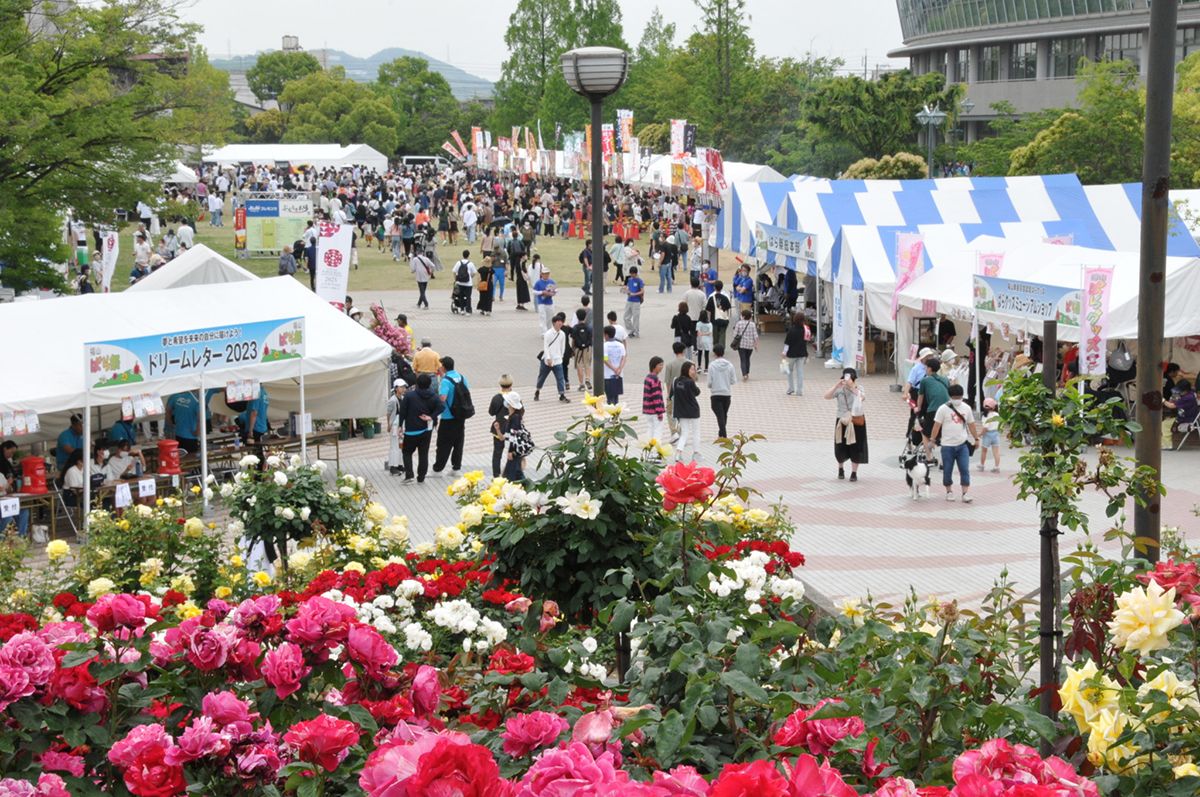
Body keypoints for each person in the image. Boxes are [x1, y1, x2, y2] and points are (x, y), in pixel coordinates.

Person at [931, 384, 981, 503]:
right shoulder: (943, 409)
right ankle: (949, 491)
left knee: (964, 469)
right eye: (955, 397)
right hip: (947, 445)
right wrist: (933, 439)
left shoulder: (967, 408)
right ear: (950, 397)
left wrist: (976, 438)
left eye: (959, 397)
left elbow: (971, 424)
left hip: (962, 444)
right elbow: (936, 425)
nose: (957, 400)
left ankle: (965, 493)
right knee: (947, 470)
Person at [826, 368, 867, 481]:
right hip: (842, 420)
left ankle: (854, 473)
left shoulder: (859, 388)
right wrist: (836, 385)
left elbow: (862, 397)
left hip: (856, 420)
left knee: (856, 446)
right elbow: (826, 396)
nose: (846, 380)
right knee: (840, 445)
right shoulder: (840, 389)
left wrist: (852, 387)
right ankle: (840, 469)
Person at [400, 373, 443, 483]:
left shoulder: (409, 396)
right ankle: (421, 477)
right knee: (423, 453)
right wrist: (431, 417)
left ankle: (409, 475)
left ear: (417, 383)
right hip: (426, 430)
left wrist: (400, 425)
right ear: (429, 384)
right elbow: (441, 407)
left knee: (407, 452)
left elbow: (403, 412)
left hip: (411, 430)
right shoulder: (433, 395)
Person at [433, 357, 469, 475]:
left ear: (443, 367)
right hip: (461, 415)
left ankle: (438, 468)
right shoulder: (462, 377)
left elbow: (442, 398)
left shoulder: (445, 380)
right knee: (458, 442)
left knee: (443, 443)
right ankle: (456, 467)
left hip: (448, 417)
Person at [916, 358, 951, 458]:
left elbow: (920, 397)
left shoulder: (925, 380)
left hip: (934, 410)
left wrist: (918, 409)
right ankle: (945, 459)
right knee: (944, 434)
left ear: (930, 369)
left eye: (926, 367)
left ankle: (929, 457)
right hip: (948, 410)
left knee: (925, 433)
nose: (925, 369)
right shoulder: (945, 379)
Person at [534, 313, 570, 403]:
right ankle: (537, 390)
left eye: (561, 322)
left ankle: (562, 394)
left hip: (557, 360)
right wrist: (548, 358)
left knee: (560, 378)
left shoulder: (562, 334)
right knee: (542, 377)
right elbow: (546, 347)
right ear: (554, 323)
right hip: (547, 360)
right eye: (558, 322)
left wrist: (561, 356)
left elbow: (563, 347)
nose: (560, 323)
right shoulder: (548, 334)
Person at [672, 361, 702, 462]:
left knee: (684, 433)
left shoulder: (676, 381)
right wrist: (693, 380)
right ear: (686, 369)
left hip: (681, 411)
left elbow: (672, 394)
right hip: (693, 410)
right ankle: (696, 453)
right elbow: (697, 392)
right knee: (696, 432)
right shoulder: (690, 382)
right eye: (692, 369)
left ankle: (678, 453)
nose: (694, 371)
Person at [707, 345, 736, 439]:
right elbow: (733, 381)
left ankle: (723, 436)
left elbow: (709, 383)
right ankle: (721, 434)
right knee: (723, 415)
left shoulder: (711, 366)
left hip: (715, 394)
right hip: (727, 394)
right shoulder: (730, 365)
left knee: (720, 416)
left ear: (714, 353)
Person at [488, 375, 514, 478]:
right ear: (511, 384)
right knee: (512, 452)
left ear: (500, 385)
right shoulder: (514, 396)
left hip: (498, 428)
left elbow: (491, 412)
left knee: (497, 454)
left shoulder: (496, 398)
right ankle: (510, 474)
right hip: (512, 429)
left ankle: (496, 475)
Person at [662, 342, 687, 440]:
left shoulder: (669, 365)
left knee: (669, 412)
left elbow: (668, 382)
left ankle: (674, 431)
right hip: (686, 393)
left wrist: (669, 394)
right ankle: (681, 432)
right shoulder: (690, 363)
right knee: (683, 413)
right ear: (684, 350)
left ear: (674, 351)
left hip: (674, 393)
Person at [502, 392, 529, 482]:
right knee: (515, 472)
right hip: (516, 451)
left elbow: (514, 436)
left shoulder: (515, 418)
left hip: (514, 452)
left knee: (512, 474)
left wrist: (511, 451)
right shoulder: (514, 416)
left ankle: (525, 486)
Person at [782, 313, 809, 396]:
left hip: (791, 354)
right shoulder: (806, 329)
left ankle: (791, 388)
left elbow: (787, 343)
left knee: (789, 371)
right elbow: (807, 341)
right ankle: (799, 390)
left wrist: (784, 352)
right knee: (800, 372)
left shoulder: (791, 330)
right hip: (802, 353)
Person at [386, 379, 407, 475]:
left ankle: (399, 464)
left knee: (401, 445)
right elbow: (388, 413)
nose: (403, 389)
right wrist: (388, 425)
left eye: (404, 387)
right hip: (395, 425)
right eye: (401, 387)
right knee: (394, 446)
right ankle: (393, 467)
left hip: (401, 424)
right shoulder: (392, 400)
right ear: (395, 388)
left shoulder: (403, 398)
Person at [730, 309, 759, 381]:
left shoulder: (739, 323)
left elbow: (734, 334)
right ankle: (747, 373)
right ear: (750, 317)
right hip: (750, 345)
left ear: (743, 316)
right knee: (747, 359)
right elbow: (755, 336)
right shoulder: (752, 324)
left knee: (742, 359)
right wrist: (756, 345)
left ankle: (744, 374)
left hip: (741, 345)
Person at [643, 356, 666, 441]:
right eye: (660, 365)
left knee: (650, 430)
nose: (661, 367)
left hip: (647, 410)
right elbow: (656, 397)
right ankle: (655, 451)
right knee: (657, 431)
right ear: (654, 366)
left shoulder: (648, 377)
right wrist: (659, 412)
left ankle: (649, 450)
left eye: (662, 365)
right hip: (655, 411)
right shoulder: (654, 379)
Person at [705, 281, 732, 350]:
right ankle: (721, 348)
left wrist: (708, 319)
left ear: (714, 287)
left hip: (714, 320)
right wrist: (728, 318)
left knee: (715, 335)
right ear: (722, 287)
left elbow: (708, 310)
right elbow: (728, 309)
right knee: (722, 334)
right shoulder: (725, 297)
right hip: (724, 319)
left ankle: (716, 348)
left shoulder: (711, 297)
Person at [602, 326, 625, 404]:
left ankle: (611, 415)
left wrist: (613, 368)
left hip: (608, 375)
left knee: (609, 398)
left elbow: (605, 359)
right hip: (618, 374)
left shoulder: (605, 346)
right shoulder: (621, 345)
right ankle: (616, 414)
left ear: (606, 335)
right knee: (616, 398)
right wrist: (619, 369)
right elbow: (623, 358)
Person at [571, 309, 593, 393]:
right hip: (587, 348)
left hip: (578, 348)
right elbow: (591, 337)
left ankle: (581, 384)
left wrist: (573, 349)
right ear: (585, 316)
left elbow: (573, 339)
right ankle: (587, 378)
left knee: (579, 365)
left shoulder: (575, 328)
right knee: (587, 363)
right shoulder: (589, 327)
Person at [532, 265, 558, 334]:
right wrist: (542, 292)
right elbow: (534, 291)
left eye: (547, 273)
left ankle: (549, 331)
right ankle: (543, 333)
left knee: (550, 317)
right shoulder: (538, 282)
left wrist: (552, 293)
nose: (546, 275)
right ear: (541, 274)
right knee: (542, 317)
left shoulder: (551, 281)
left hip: (549, 302)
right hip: (541, 303)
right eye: (544, 274)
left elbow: (556, 290)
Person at [978, 397, 1001, 473]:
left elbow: (986, 428)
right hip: (996, 434)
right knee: (996, 452)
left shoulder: (985, 416)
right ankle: (996, 467)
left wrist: (980, 434)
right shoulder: (997, 414)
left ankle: (982, 465)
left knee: (984, 451)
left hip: (988, 435)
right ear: (994, 407)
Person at [451, 250, 476, 315]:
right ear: (468, 255)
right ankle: (468, 310)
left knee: (461, 296)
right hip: (468, 283)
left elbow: (454, 271)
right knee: (468, 297)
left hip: (460, 283)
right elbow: (474, 272)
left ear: (463, 255)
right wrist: (470, 277)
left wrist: (456, 279)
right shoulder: (470, 263)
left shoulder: (458, 263)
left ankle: (462, 310)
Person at [623, 266, 645, 337]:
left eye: (633, 274)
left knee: (636, 317)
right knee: (626, 317)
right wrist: (626, 290)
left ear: (636, 273)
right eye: (631, 274)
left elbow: (642, 291)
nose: (631, 275)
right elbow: (628, 288)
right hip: (629, 300)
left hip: (636, 301)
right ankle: (632, 330)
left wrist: (634, 294)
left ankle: (636, 332)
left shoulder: (639, 281)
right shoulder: (629, 280)